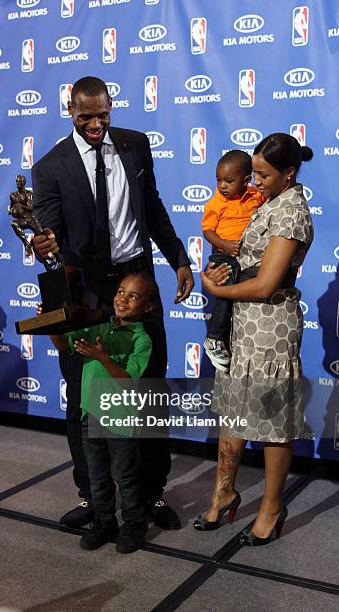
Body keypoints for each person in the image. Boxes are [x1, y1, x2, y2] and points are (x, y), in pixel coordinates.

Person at [31, 76, 194, 530]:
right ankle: (93, 496)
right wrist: (44, 244)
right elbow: (51, 237)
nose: (96, 124)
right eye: (86, 116)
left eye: (103, 114)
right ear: (70, 110)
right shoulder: (50, 167)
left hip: (138, 280)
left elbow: (153, 205)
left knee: (145, 388)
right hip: (87, 292)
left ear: (111, 106)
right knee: (83, 395)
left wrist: (178, 258)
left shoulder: (136, 145)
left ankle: (150, 493)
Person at [195, 133, 314, 545]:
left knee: (271, 422)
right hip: (242, 326)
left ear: (289, 173)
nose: (255, 182)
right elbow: (244, 263)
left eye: (263, 174)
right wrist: (217, 275)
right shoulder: (269, 202)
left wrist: (217, 292)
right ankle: (223, 493)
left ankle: (271, 508)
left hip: (271, 329)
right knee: (233, 410)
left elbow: (265, 285)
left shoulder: (292, 211)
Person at [47, 273, 155, 553]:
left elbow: (128, 381)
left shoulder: (141, 340)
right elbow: (63, 344)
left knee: (125, 475)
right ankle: (105, 521)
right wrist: (51, 323)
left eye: (133, 296)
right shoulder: (99, 326)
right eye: (121, 292)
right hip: (90, 415)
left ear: (148, 307)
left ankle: (134, 523)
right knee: (97, 475)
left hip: (120, 418)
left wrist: (103, 358)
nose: (123, 299)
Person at [202, 150, 264, 371]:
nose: (222, 186)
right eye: (218, 180)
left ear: (246, 180)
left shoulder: (257, 196)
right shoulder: (215, 203)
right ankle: (214, 337)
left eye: (228, 181)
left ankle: (228, 338)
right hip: (223, 255)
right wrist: (224, 244)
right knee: (226, 291)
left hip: (246, 259)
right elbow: (207, 231)